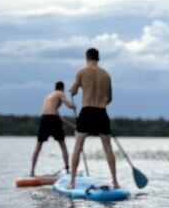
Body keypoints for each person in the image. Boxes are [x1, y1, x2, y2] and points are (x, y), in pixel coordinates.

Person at [69, 48, 120, 189]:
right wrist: (101, 104)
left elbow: (73, 91)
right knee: (108, 147)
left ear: (87, 58)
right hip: (102, 112)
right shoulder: (106, 75)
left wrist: (73, 89)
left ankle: (72, 182)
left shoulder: (82, 72)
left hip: (86, 111)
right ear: (98, 58)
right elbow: (110, 98)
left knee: (78, 146)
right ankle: (115, 181)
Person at [30, 81, 75, 176]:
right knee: (63, 145)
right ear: (62, 88)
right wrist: (73, 106)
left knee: (39, 146)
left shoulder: (49, 97)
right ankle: (67, 170)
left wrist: (72, 126)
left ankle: (32, 171)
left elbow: (60, 118)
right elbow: (68, 105)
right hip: (52, 119)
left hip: (44, 119)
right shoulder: (60, 93)